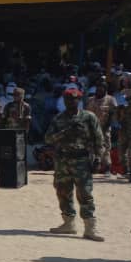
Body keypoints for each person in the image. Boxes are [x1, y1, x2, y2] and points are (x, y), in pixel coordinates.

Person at [45, 87, 104, 241]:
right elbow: (48, 139)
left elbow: (99, 139)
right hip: (62, 161)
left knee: (85, 193)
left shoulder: (89, 117)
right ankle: (68, 223)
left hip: (81, 161)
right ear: (64, 101)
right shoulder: (59, 119)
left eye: (74, 99)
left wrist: (98, 158)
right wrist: (66, 131)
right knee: (63, 192)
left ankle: (90, 228)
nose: (71, 101)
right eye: (68, 99)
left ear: (79, 100)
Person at [85, 81, 117, 175]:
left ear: (105, 89)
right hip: (91, 128)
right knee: (91, 147)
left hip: (104, 127)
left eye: (102, 87)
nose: (99, 89)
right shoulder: (90, 100)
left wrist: (108, 124)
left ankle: (107, 168)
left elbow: (113, 114)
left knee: (106, 147)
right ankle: (92, 167)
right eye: (98, 87)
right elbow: (86, 113)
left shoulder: (111, 100)